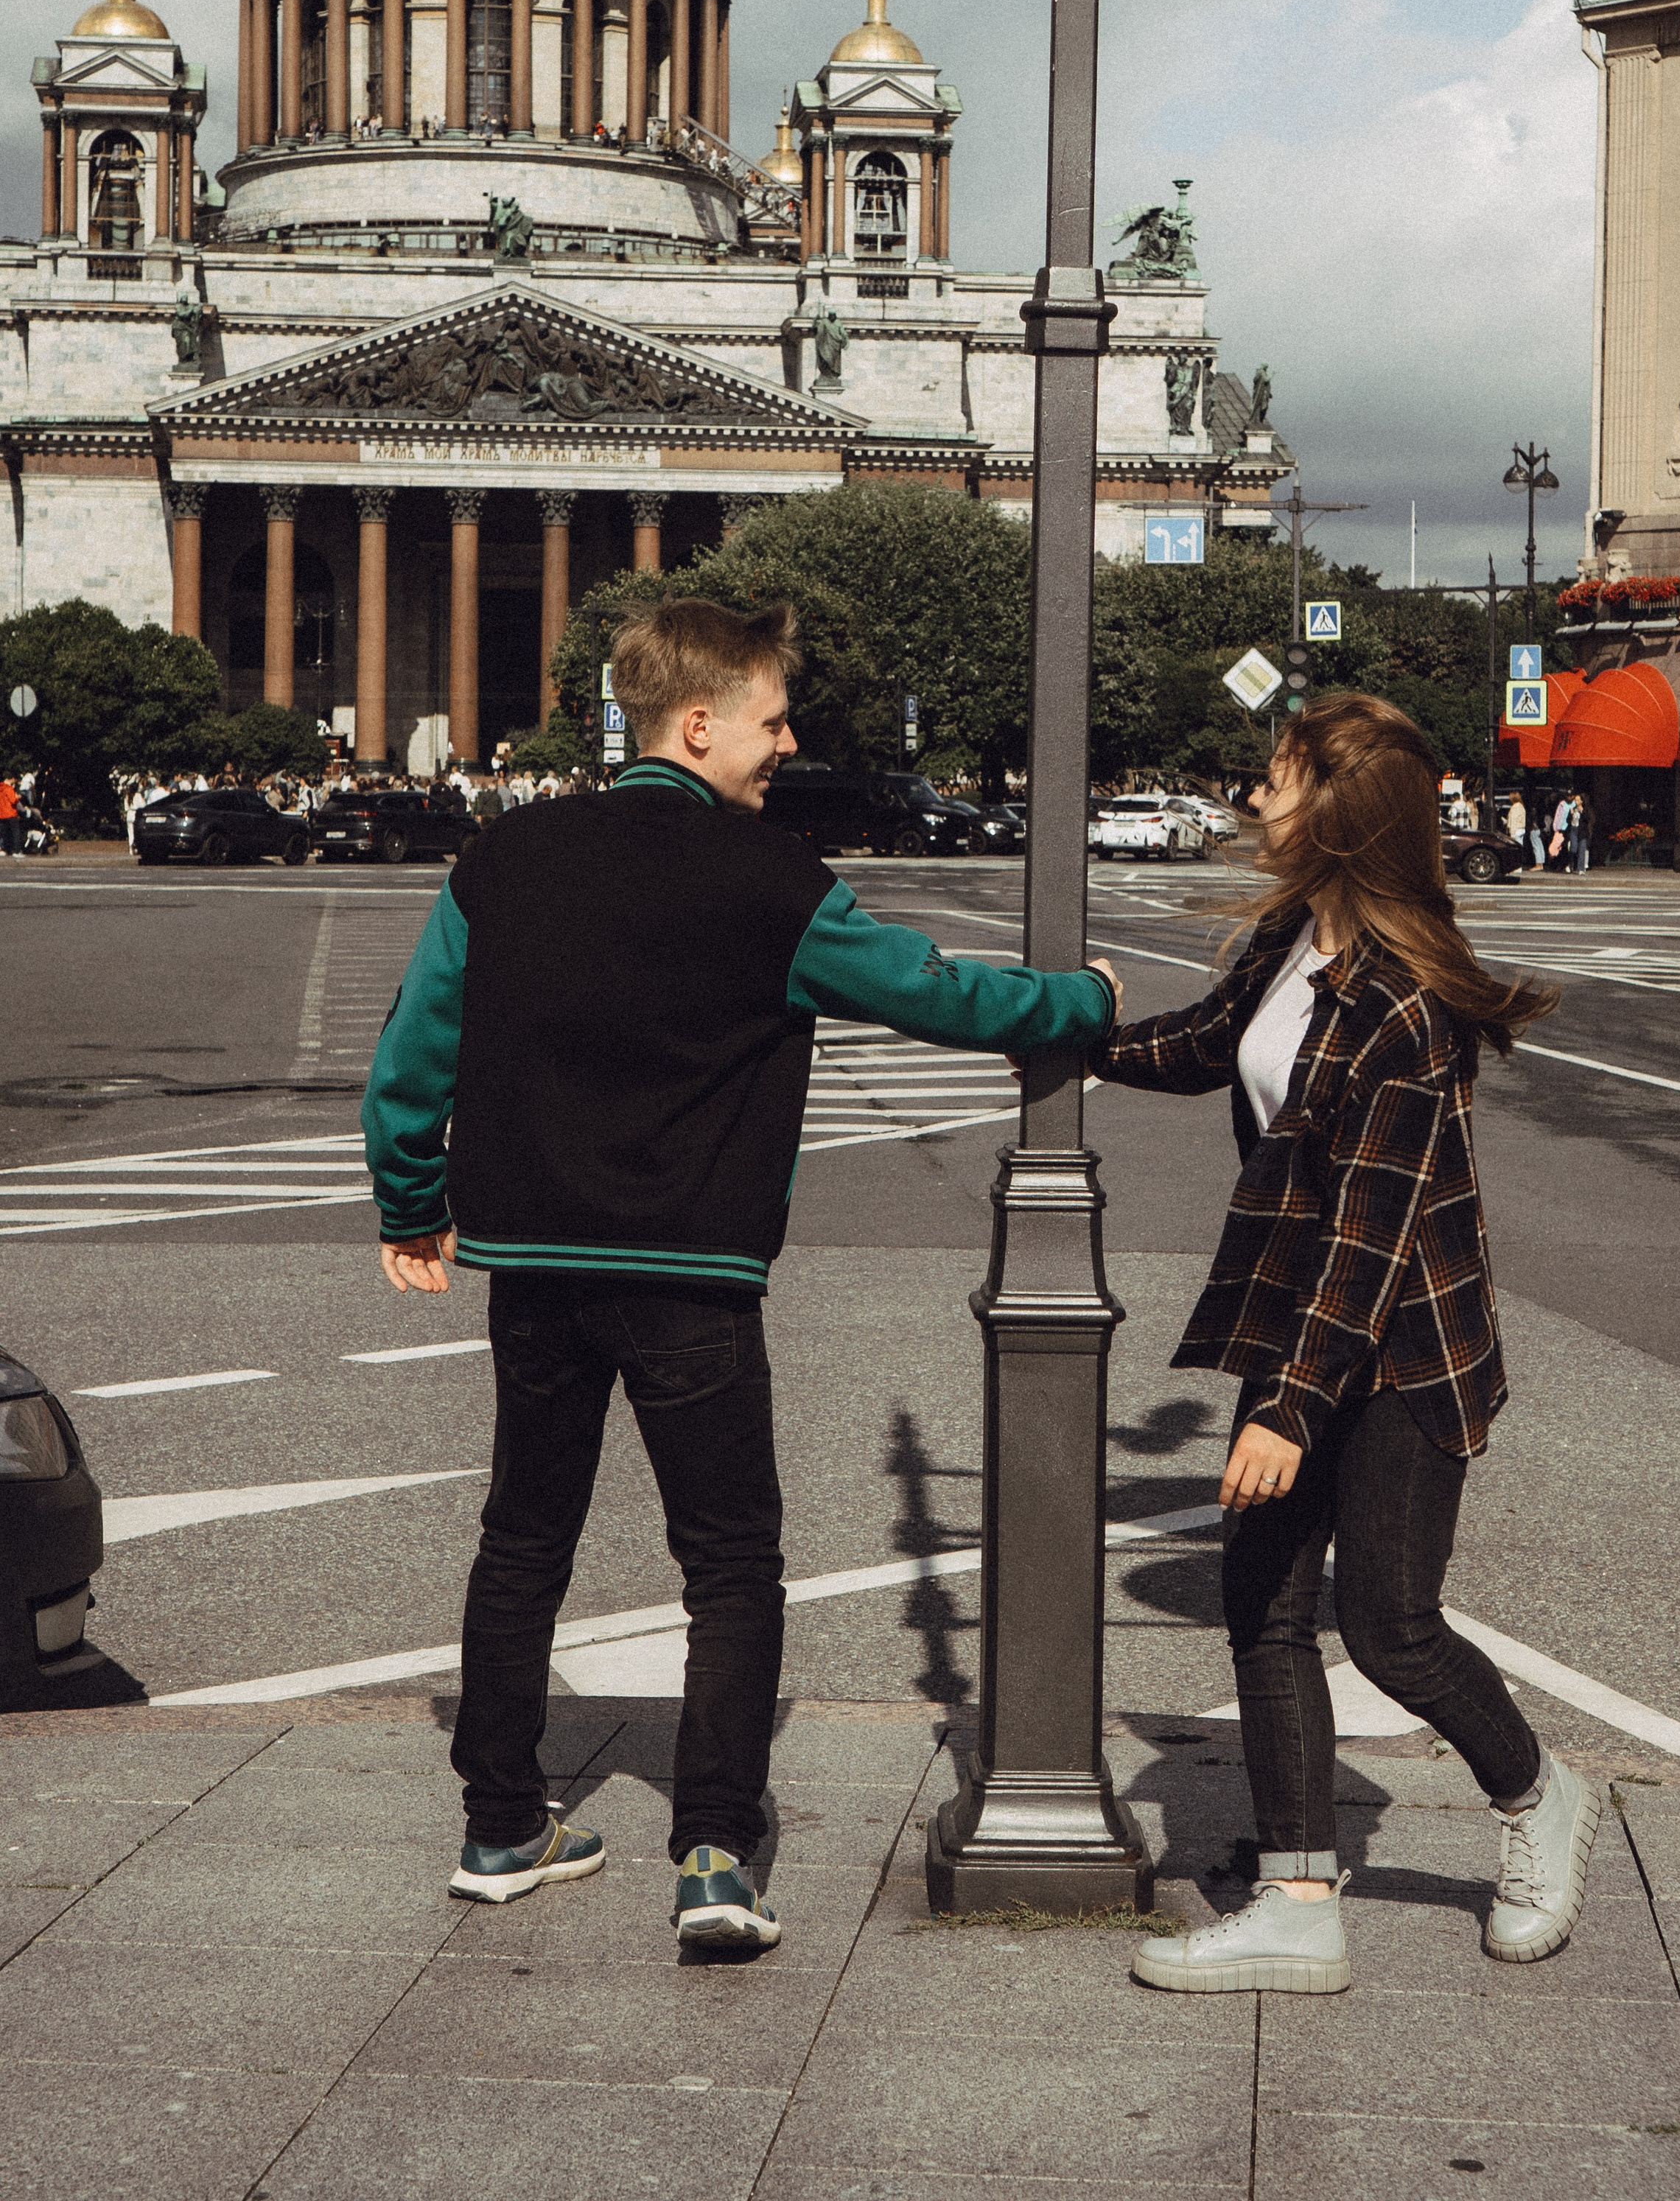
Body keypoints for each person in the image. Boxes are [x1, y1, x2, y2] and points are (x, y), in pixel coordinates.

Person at [362, 598, 1119, 1945]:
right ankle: (713, 1852)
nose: (785, 745)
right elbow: (934, 991)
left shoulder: (506, 856)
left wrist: (414, 1202)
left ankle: (498, 1824)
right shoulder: (771, 878)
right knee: (728, 1560)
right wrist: (1087, 1002)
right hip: (692, 1272)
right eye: (771, 720)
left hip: (531, 1263)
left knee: (522, 1539)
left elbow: (412, 1050)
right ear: (698, 723)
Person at [1089, 692, 1598, 1998]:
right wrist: (1067, 1027)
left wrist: (1287, 1408)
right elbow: (1206, 1045)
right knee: (1262, 1611)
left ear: (1343, 816)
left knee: (1390, 1625)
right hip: (1306, 1322)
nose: (1257, 796)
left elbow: (1373, 1240)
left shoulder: (1407, 1010)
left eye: (1282, 777)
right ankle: (1298, 1901)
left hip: (1405, 1347)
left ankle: (1540, 1797)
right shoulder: (1289, 946)